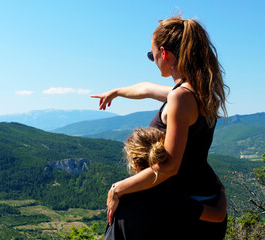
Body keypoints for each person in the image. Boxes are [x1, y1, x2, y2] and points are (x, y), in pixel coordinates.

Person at [92, 16, 228, 239]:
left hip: (184, 207)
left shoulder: (181, 98)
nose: (152, 59)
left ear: (164, 53)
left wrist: (118, 188)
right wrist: (116, 92)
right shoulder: (197, 92)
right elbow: (145, 88)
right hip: (203, 200)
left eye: (151, 55)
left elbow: (170, 166)